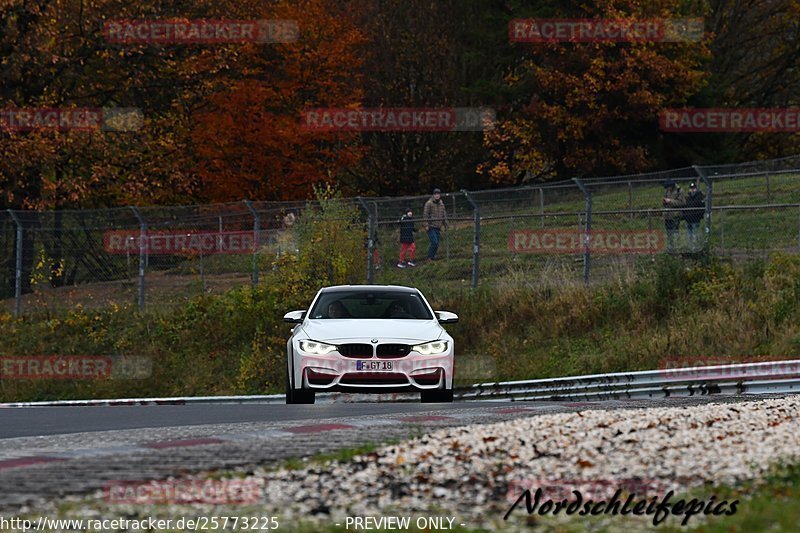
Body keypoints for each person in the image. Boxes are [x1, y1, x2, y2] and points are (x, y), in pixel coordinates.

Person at [423, 188, 448, 260]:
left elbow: (444, 215)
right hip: (431, 226)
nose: (437, 196)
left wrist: (445, 224)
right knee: (434, 242)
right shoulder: (429, 203)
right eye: (436, 194)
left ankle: (432, 256)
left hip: (438, 226)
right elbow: (425, 214)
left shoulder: (441, 204)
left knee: (437, 244)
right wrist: (426, 225)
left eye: (438, 194)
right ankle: (429, 257)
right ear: (433, 195)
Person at [662, 179, 685, 251]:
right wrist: (664, 201)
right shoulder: (667, 191)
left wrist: (670, 201)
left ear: (671, 186)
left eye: (668, 187)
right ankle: (670, 247)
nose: (668, 189)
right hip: (667, 215)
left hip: (675, 215)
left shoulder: (680, 191)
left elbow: (682, 203)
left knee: (675, 232)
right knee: (668, 232)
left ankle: (676, 247)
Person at [684, 181, 705, 252]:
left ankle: (696, 248)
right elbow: (684, 207)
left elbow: (702, 208)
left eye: (694, 188)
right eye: (691, 188)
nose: (692, 190)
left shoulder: (699, 196)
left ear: (696, 189)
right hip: (688, 219)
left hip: (695, 220)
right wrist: (685, 216)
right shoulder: (688, 198)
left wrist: (699, 216)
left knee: (695, 235)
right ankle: (690, 248)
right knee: (689, 236)